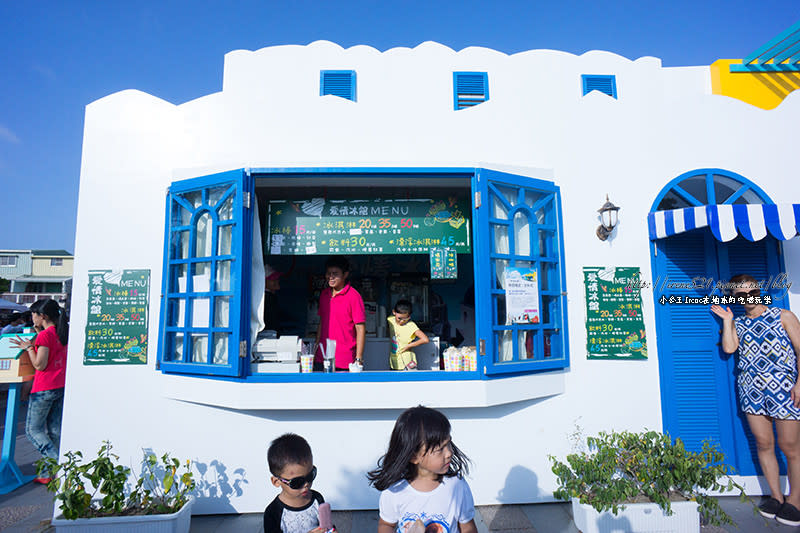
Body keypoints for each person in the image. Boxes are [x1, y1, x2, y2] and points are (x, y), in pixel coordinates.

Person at [711, 274, 800, 526]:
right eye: (740, 294)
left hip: (784, 387)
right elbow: (729, 349)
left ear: (758, 290)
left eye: (750, 291)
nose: (746, 297)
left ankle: (795, 500)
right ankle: (775, 496)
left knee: (790, 446)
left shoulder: (784, 316)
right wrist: (728, 321)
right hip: (751, 389)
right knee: (764, 443)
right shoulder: (738, 322)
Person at [368, 405, 478, 533]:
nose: (449, 453)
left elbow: (467, 526)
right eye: (440, 449)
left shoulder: (456, 485)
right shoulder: (395, 490)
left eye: (448, 443)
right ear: (414, 457)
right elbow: (386, 525)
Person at [10, 299, 68, 483]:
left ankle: (59, 465)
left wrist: (28, 348)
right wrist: (37, 334)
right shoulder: (60, 333)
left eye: (33, 314)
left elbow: (39, 364)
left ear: (42, 316)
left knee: (33, 430)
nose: (31, 317)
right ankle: (46, 474)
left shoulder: (46, 336)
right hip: (59, 384)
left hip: (44, 387)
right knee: (54, 430)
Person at [263, 433, 331, 533]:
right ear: (276, 482)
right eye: (297, 482)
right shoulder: (273, 513)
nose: (306, 484)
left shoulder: (317, 499)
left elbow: (326, 526)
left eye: (310, 476)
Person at [315, 256, 365, 372]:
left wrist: (359, 358)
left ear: (345, 274)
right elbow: (321, 323)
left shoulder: (353, 296)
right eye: (328, 273)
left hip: (344, 359)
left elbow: (360, 329)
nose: (331, 277)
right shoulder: (324, 294)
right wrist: (316, 348)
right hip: (321, 357)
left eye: (335, 274)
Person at [387, 300, 429, 370]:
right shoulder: (390, 320)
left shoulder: (411, 326)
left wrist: (409, 346)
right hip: (394, 362)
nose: (402, 321)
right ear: (394, 312)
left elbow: (425, 339)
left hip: (407, 363)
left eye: (405, 319)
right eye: (399, 318)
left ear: (409, 316)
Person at [263, 264, 283, 332]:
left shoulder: (271, 296)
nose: (276, 280)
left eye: (276, 278)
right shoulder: (266, 298)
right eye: (272, 279)